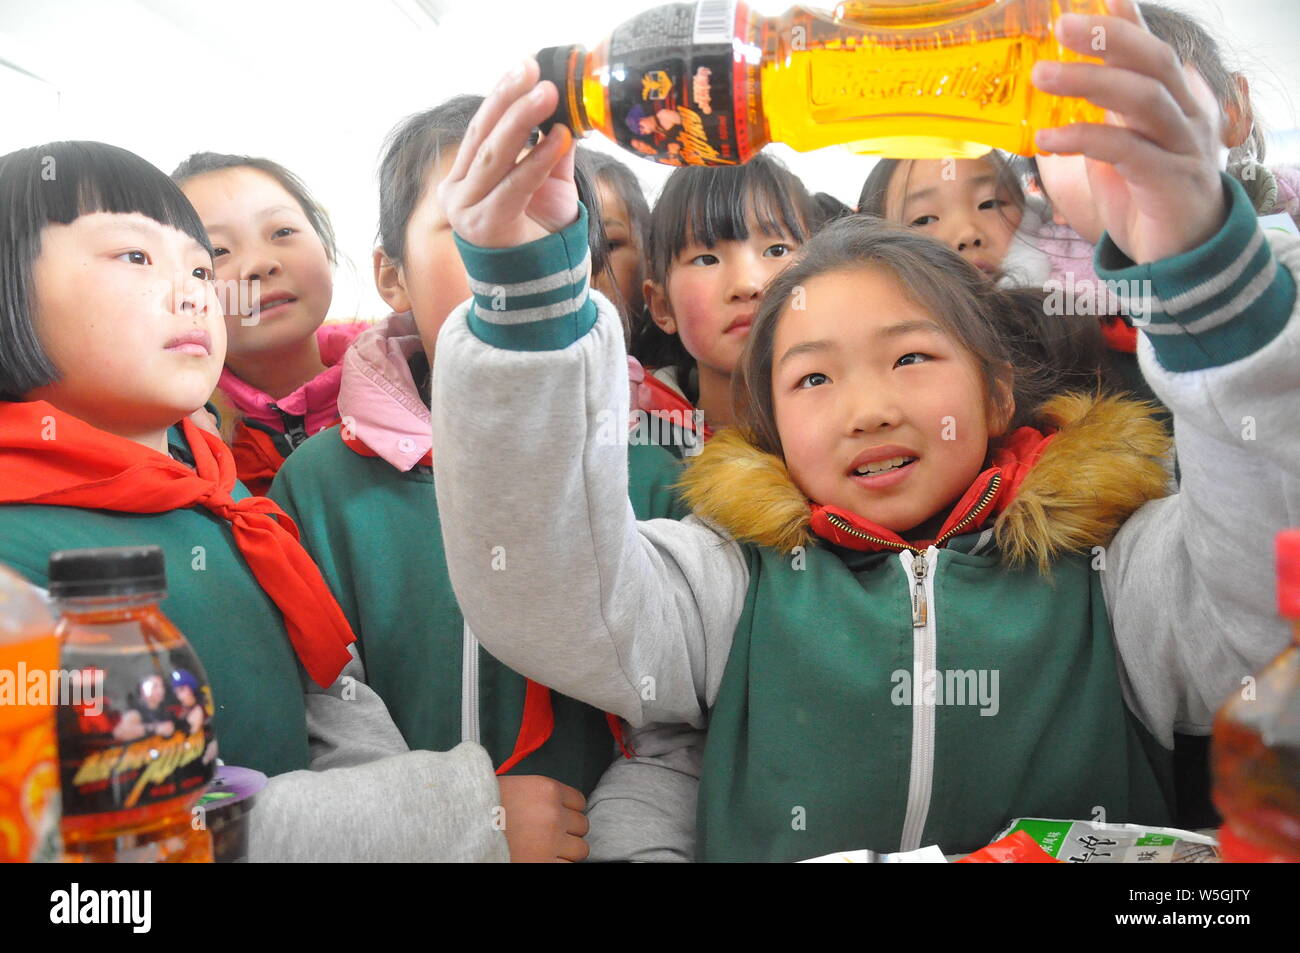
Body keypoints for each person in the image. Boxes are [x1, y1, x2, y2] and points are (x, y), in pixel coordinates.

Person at [429, 1, 1299, 859]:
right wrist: (526, 298)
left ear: (998, 390)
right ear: (772, 426)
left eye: (912, 359)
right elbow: (559, 604)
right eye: (812, 377)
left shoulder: (1111, 575)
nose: (868, 409)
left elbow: (1257, 611)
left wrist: (1206, 274)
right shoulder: (732, 580)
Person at [0, 140, 510, 862]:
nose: (194, 292)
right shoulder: (14, 559)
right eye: (136, 257)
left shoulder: (222, 493)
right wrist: (462, 810)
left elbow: (331, 697)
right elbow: (119, 841)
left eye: (200, 271)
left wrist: (423, 810)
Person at [269, 96, 692, 861]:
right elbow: (325, 697)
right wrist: (449, 824)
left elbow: (678, 720)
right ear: (391, 277)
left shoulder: (652, 473)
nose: (509, 252)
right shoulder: (321, 483)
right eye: (469, 226)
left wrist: (619, 841)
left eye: (540, 225)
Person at [172, 154, 369, 495]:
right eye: (217, 251)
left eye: (282, 231)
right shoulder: (177, 441)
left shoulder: (417, 378)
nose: (260, 264)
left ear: (325, 248)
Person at [630, 154, 820, 454]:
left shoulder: (866, 425)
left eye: (777, 249)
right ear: (662, 307)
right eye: (707, 259)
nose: (747, 285)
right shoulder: (637, 449)